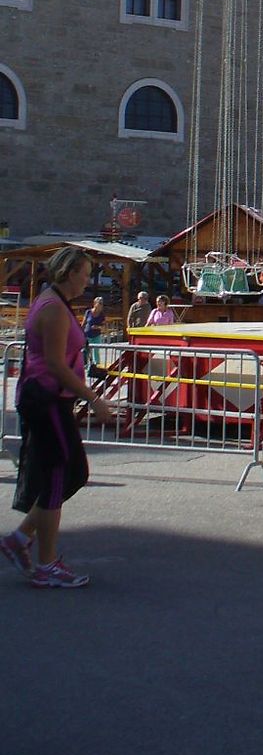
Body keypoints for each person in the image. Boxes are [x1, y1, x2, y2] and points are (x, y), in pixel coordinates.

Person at [1, 247, 114, 588]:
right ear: (67, 273)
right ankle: (45, 563)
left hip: (52, 398)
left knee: (71, 472)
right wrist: (92, 398)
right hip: (45, 398)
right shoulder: (53, 308)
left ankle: (21, 538)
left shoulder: (58, 304)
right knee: (59, 473)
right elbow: (53, 363)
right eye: (84, 273)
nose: (87, 280)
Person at [82, 295, 105, 374]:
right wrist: (80, 331)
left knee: (96, 352)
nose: (101, 305)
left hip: (96, 336)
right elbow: (84, 323)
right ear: (95, 303)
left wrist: (97, 327)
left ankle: (97, 368)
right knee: (87, 352)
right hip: (87, 334)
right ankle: (88, 368)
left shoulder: (102, 315)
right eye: (99, 303)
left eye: (102, 303)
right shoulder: (88, 312)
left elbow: (104, 327)